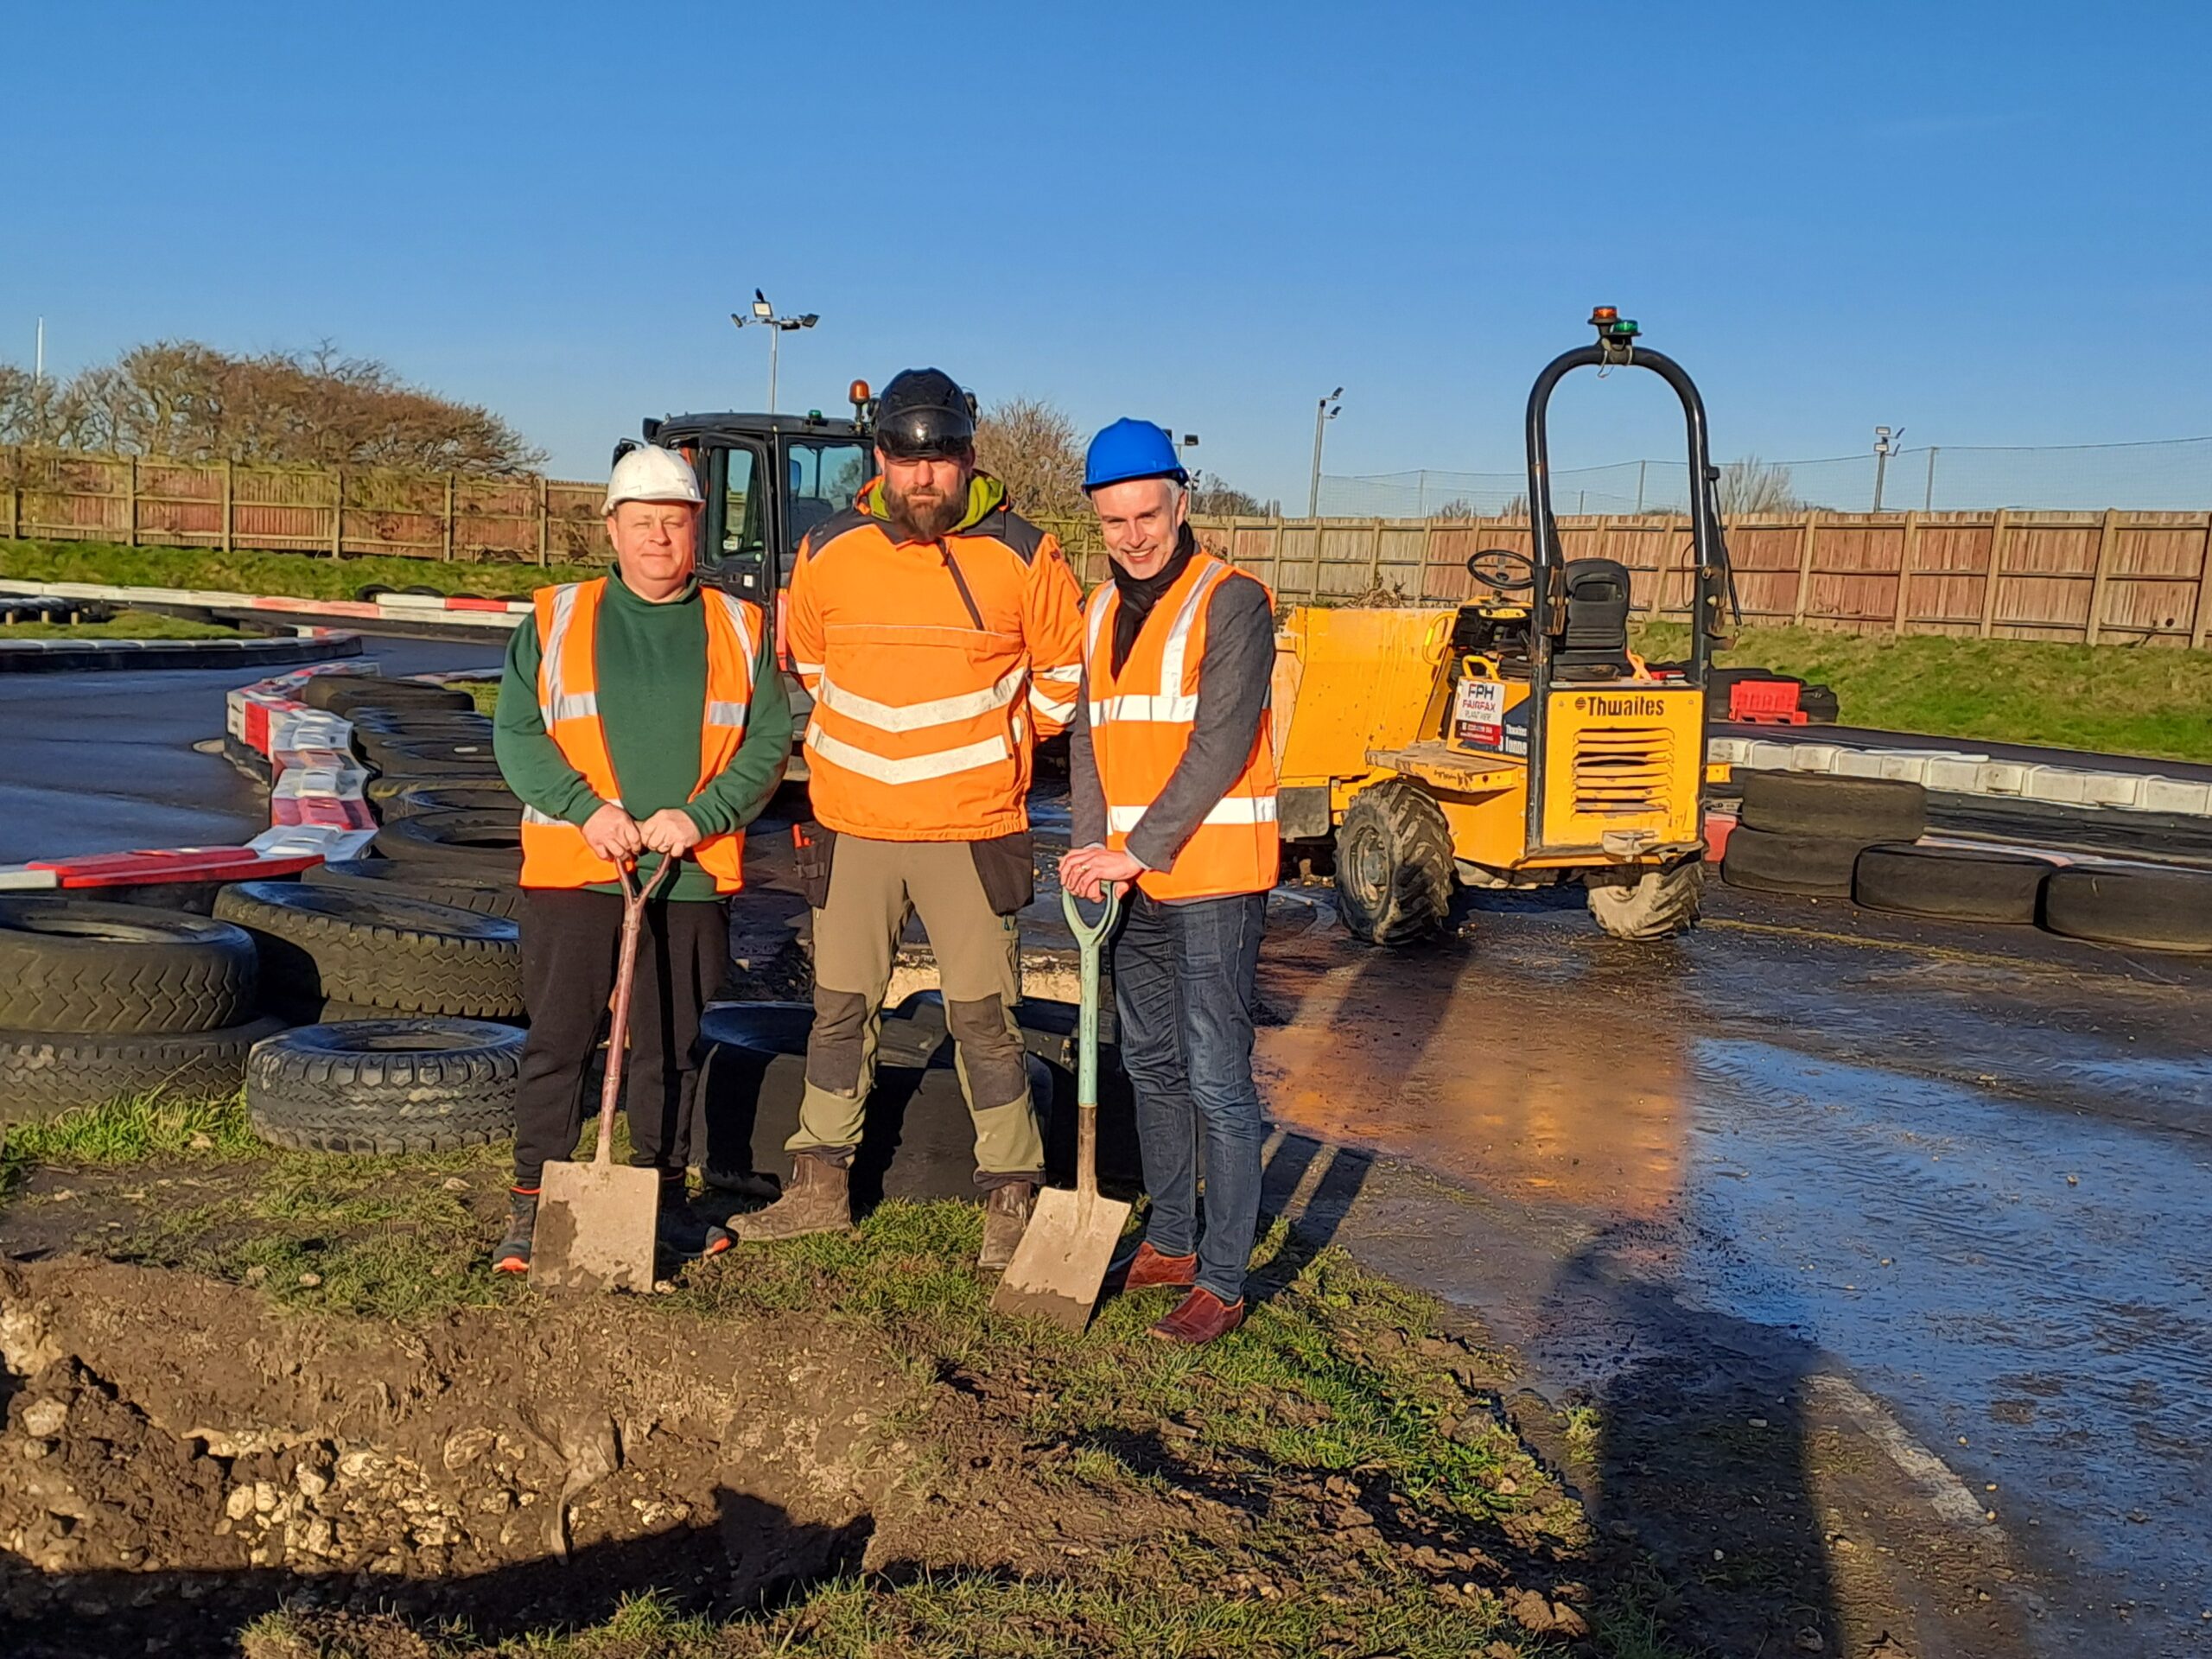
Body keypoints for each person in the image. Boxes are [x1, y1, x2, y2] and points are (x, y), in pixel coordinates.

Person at [734, 368, 1084, 1268]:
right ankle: (819, 1185)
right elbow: (808, 665)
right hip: (852, 827)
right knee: (839, 1010)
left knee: (985, 1019)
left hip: (972, 831)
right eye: (906, 460)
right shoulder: (827, 552)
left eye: (942, 460)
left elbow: (1062, 681)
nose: (923, 478)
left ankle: (1010, 1197)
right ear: (881, 458)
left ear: (969, 459)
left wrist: (995, 749)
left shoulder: (1025, 553)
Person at [489, 442, 791, 1273]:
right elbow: (516, 734)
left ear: (697, 528)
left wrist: (703, 816)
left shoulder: (740, 624)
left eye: (675, 521)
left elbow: (769, 740)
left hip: (687, 874)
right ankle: (532, 1205)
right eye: (642, 522)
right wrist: (589, 812)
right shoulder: (555, 620)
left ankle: (659, 1200)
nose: (659, 537)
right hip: (577, 868)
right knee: (560, 1038)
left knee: (669, 1046)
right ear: (613, 529)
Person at [1058, 419, 1279, 1345]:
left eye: (1147, 515)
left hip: (1212, 877)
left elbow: (1218, 743)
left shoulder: (1231, 602)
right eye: (1114, 522)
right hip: (1130, 882)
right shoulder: (1101, 611)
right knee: (1148, 1063)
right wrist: (1085, 852)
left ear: (1181, 502)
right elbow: (1088, 738)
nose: (1134, 536)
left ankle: (1223, 1280)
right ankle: (1172, 1240)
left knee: (1217, 1077)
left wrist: (1134, 849)